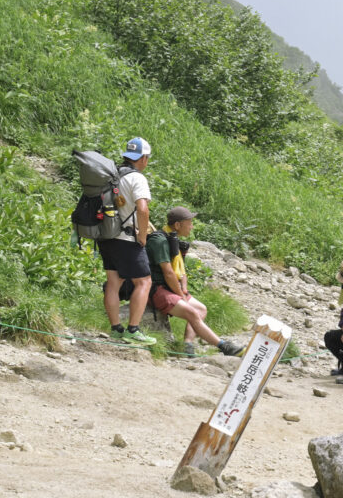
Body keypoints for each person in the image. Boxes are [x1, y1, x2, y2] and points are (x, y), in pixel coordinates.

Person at [145, 206, 243, 357]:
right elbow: (169, 273)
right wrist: (181, 296)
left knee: (201, 309)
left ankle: (187, 345)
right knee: (191, 312)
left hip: (169, 287)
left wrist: (183, 289)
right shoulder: (159, 241)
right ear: (177, 225)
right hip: (156, 288)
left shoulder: (173, 238)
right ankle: (224, 346)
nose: (192, 226)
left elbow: (181, 270)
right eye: (189, 223)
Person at [98, 137, 155, 344]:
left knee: (114, 282)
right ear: (143, 158)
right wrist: (142, 236)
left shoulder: (111, 175)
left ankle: (116, 329)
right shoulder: (137, 178)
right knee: (144, 281)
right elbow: (142, 209)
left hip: (106, 235)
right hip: (127, 238)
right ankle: (133, 329)